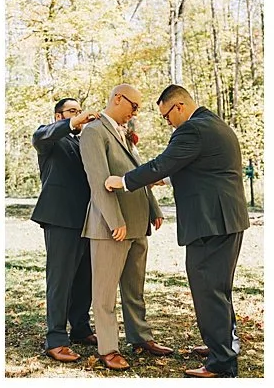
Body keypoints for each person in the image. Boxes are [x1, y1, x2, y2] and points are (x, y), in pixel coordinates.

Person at [106, 85, 250, 379]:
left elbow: (163, 163)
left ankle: (221, 364)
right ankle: (223, 346)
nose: (167, 122)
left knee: (208, 290)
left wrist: (123, 181)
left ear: (179, 106)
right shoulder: (214, 124)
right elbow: (202, 170)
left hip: (210, 223)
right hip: (228, 220)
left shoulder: (192, 130)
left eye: (166, 116)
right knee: (219, 289)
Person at [79, 86, 172, 372]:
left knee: (135, 288)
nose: (135, 112)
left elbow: (136, 175)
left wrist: (153, 209)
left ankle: (140, 337)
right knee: (105, 293)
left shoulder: (124, 133)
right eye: (134, 105)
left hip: (138, 224)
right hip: (111, 227)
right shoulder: (93, 131)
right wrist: (114, 219)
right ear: (117, 98)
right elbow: (98, 181)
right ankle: (108, 348)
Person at [31, 98, 99, 363]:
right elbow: (41, 135)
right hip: (60, 218)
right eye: (72, 110)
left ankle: (80, 328)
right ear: (59, 116)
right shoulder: (48, 137)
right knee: (60, 279)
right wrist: (73, 122)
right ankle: (56, 338)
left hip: (88, 219)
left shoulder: (84, 143)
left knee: (85, 277)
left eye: (80, 110)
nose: (79, 114)